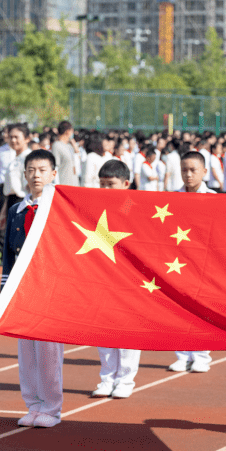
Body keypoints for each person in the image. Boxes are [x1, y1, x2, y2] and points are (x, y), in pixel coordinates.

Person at [2, 149, 65, 428]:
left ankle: (51, 407)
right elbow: (8, 254)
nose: (36, 175)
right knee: (26, 351)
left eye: (42, 170)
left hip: (49, 288)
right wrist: (6, 290)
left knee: (49, 352)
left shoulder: (59, 209)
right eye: (31, 170)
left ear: (53, 174)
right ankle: (33, 404)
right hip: (22, 288)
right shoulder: (17, 210)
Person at [90, 159, 142, 399]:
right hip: (103, 276)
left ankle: (126, 379)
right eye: (102, 184)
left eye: (111, 184)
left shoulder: (135, 207)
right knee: (105, 330)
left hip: (129, 279)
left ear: (126, 184)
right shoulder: (94, 207)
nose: (106, 190)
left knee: (127, 329)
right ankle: (107, 377)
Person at [169, 150, 216, 373]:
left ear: (204, 172)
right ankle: (182, 354)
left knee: (202, 308)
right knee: (178, 307)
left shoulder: (215, 198)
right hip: (178, 261)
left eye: (193, 170)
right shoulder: (171, 198)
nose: (188, 175)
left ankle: (201, 355)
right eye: (184, 170)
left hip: (204, 262)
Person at [51, 120, 79, 187]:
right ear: (68, 131)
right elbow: (55, 167)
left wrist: (74, 144)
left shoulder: (69, 146)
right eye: (72, 131)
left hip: (74, 184)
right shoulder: (57, 145)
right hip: (64, 184)